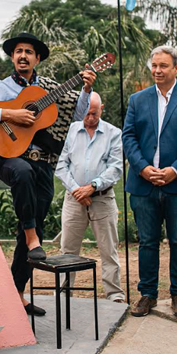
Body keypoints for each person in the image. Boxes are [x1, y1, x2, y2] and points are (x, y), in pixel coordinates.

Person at [0, 32, 95, 316]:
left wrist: (85, 90)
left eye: (28, 52)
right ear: (12, 57)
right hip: (11, 158)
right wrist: (8, 115)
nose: (22, 55)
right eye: (18, 51)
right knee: (21, 174)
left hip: (42, 163)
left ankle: (17, 292)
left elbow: (74, 115)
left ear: (37, 59)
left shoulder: (47, 89)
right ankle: (32, 234)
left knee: (32, 230)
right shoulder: (2, 87)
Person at [123, 46, 177, 318]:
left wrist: (175, 170)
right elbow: (128, 138)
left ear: (176, 69)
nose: (157, 71)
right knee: (147, 242)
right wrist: (143, 168)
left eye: (163, 66)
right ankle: (148, 294)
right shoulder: (137, 100)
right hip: (143, 184)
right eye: (154, 66)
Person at [55, 92, 124, 303]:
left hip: (102, 199)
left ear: (101, 109)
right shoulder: (71, 131)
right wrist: (78, 190)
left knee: (108, 248)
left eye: (94, 113)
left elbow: (116, 167)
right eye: (85, 112)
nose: (89, 117)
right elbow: (61, 165)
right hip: (74, 199)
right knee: (68, 249)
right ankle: (65, 295)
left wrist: (93, 187)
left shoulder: (114, 133)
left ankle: (114, 294)